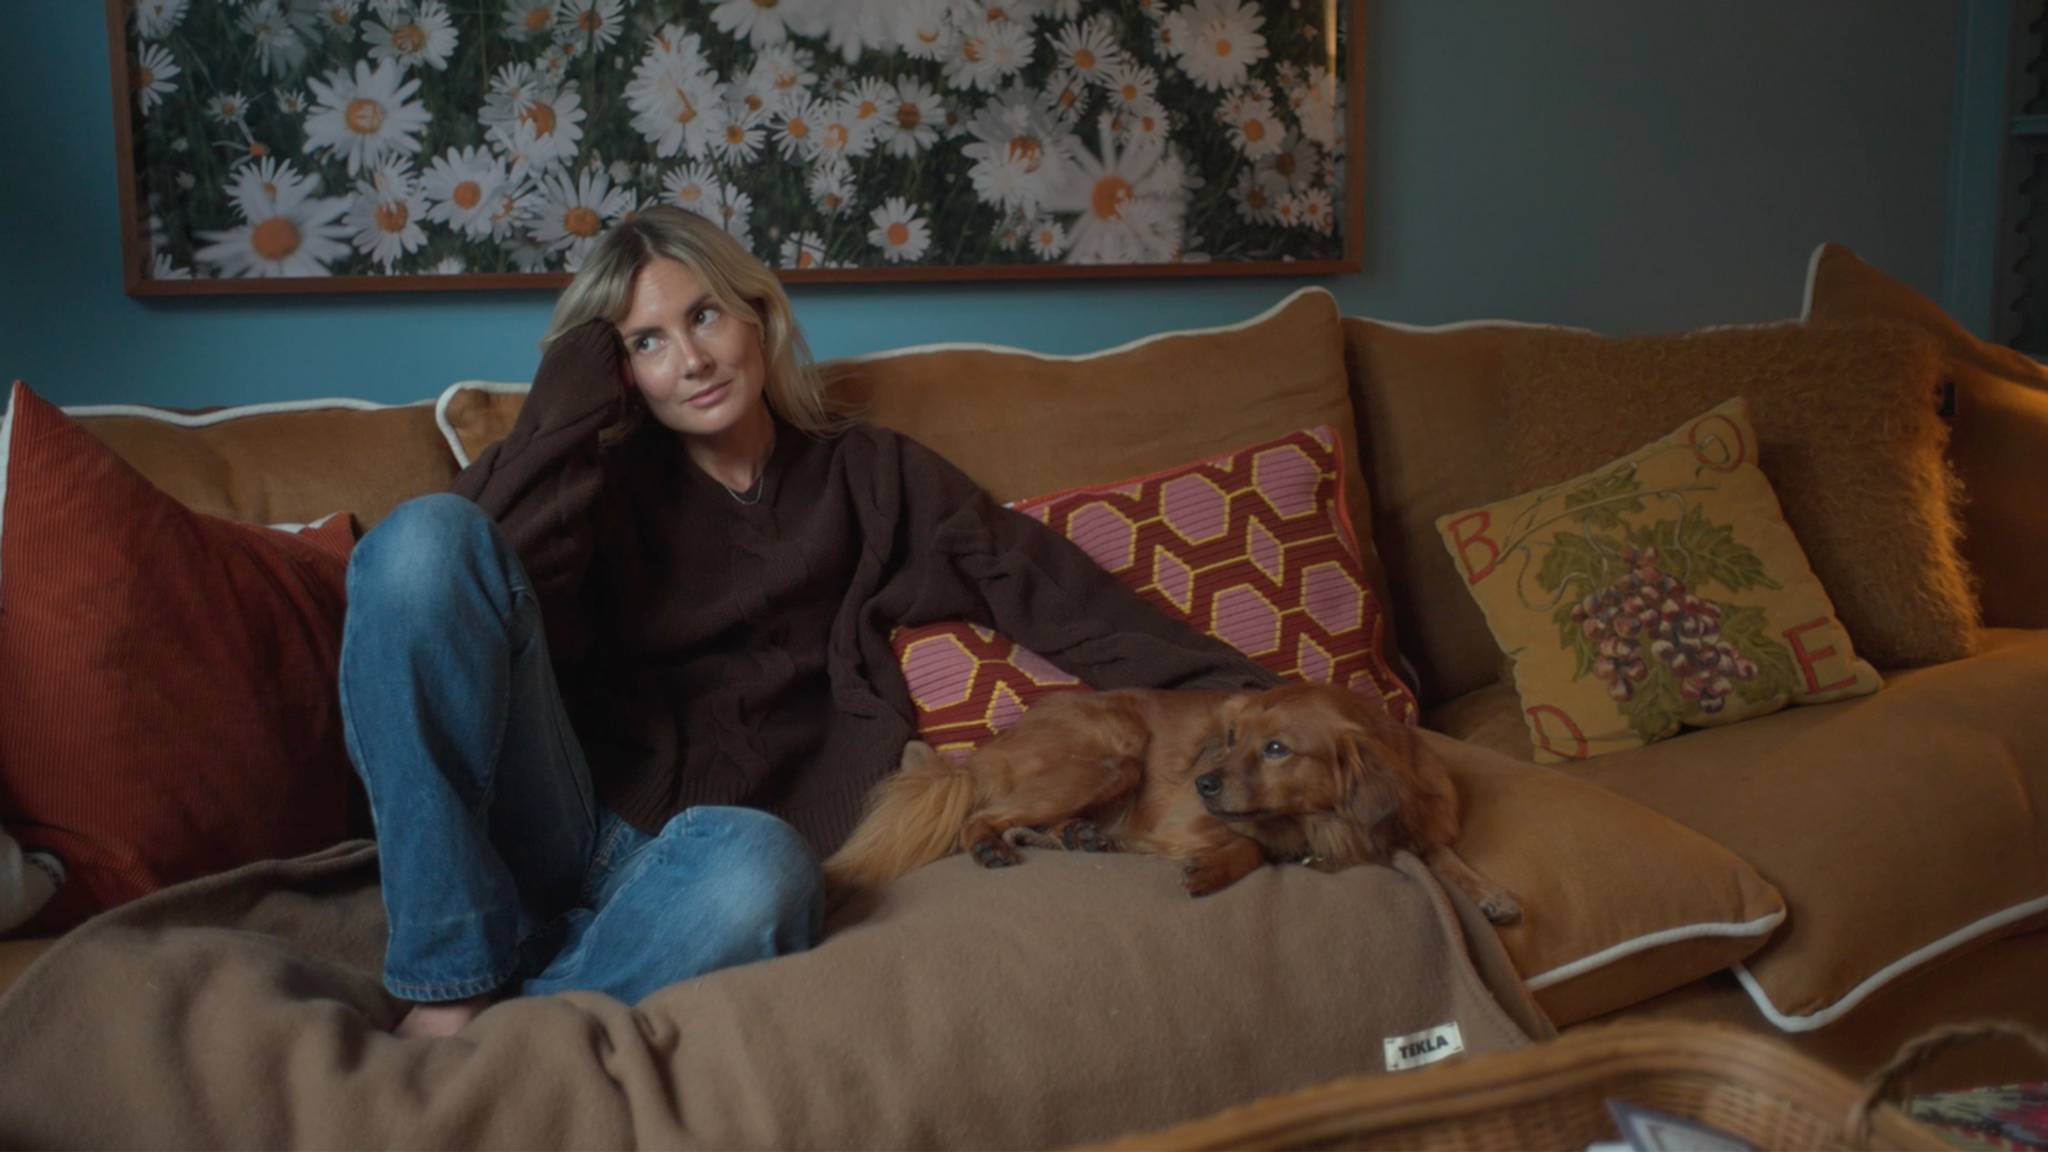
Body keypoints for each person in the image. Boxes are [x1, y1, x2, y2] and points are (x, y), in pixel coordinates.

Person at [339, 206, 1278, 1039]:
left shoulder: (868, 476)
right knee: (423, 537)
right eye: (646, 342)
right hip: (559, 806)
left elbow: (1034, 580)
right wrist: (573, 394)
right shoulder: (594, 477)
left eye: (705, 315)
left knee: (765, 872)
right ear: (619, 373)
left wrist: (1252, 702)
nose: (693, 360)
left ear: (757, 313)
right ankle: (449, 987)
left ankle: (522, 1020)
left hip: (710, 857)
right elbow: (451, 591)